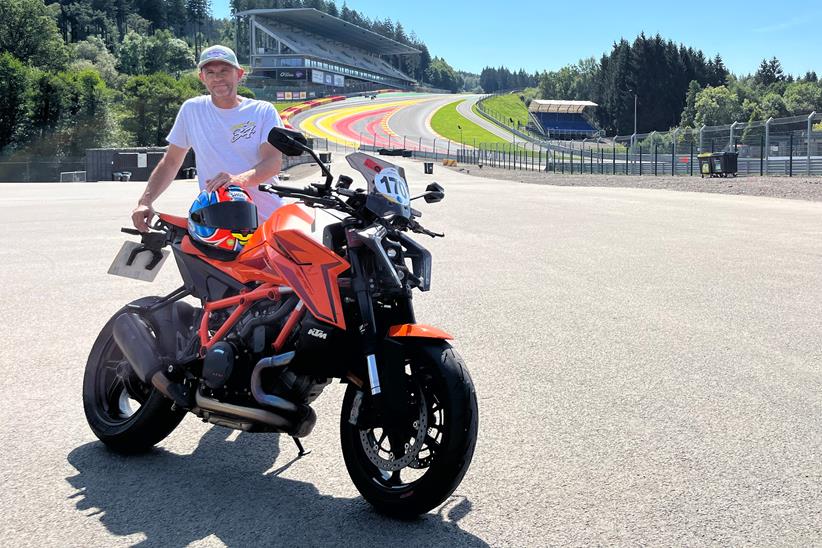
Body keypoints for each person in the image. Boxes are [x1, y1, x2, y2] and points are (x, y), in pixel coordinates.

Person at [132, 45, 284, 232]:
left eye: (224, 71)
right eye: (210, 72)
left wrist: (238, 180)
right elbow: (171, 161)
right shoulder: (192, 110)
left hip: (267, 223)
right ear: (202, 77)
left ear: (239, 74)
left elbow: (273, 162)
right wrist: (145, 201)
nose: (218, 77)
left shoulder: (262, 111)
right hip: (217, 224)